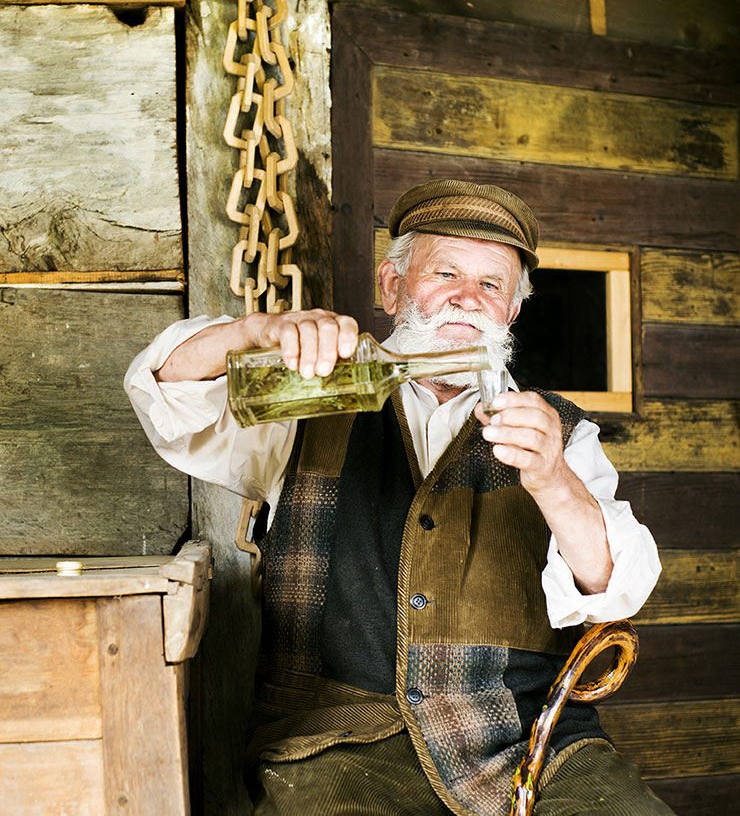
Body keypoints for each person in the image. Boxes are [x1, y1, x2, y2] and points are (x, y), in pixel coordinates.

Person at [125, 179, 673, 815]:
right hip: (335, 745)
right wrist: (252, 331)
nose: (466, 300)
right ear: (392, 286)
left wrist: (554, 480)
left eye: (492, 285)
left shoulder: (560, 430)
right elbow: (165, 398)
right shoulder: (311, 395)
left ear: (511, 312)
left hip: (528, 745)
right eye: (445, 273)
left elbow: (617, 584)